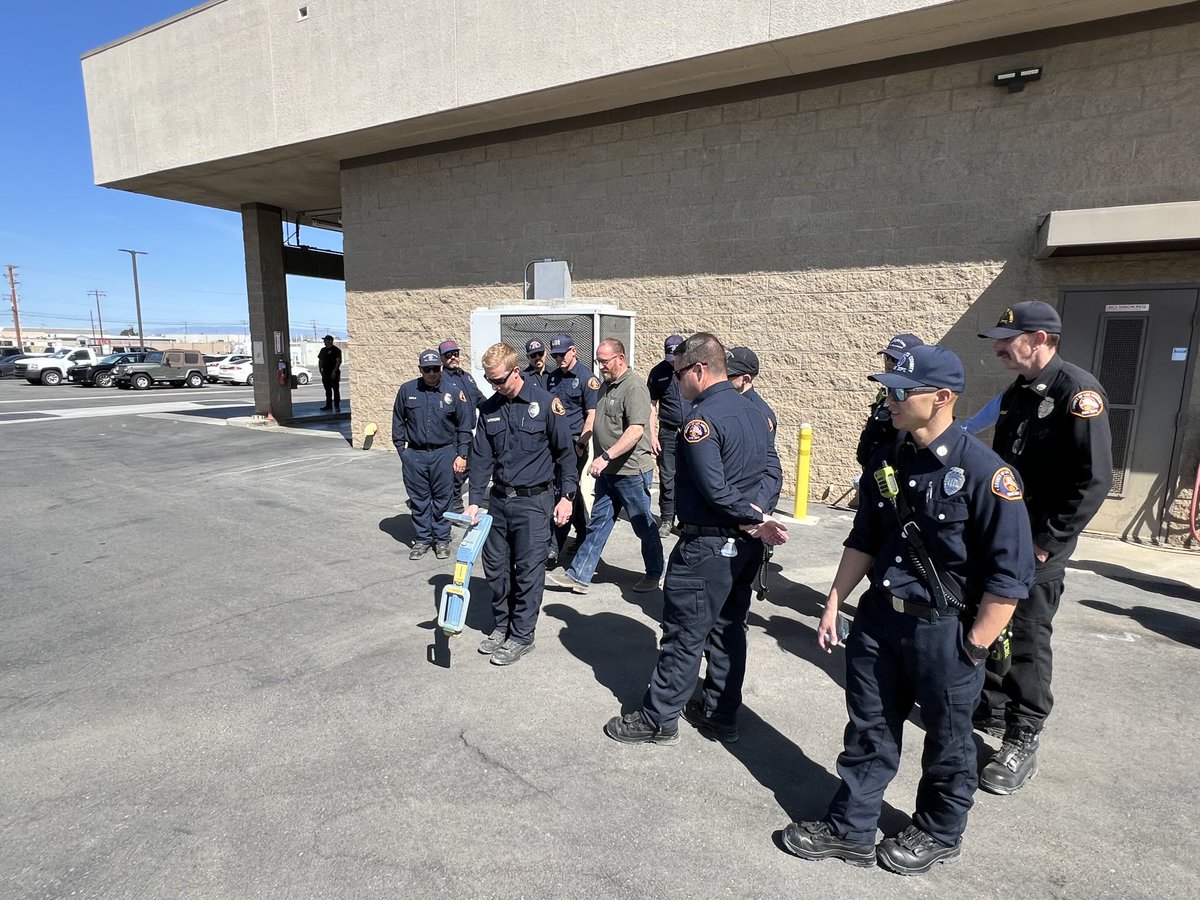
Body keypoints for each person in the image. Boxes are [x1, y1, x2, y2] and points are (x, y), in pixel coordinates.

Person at [781, 344, 1034, 875]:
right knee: (868, 728)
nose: (889, 399)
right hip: (879, 620)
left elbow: (1009, 579)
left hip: (945, 631)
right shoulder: (888, 458)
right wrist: (834, 601)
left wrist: (975, 647)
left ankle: (939, 831)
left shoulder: (986, 473)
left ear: (941, 397)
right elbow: (865, 537)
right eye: (888, 389)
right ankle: (851, 828)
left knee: (948, 741)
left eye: (900, 390)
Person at [604, 333, 788, 746]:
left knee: (685, 634)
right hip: (744, 546)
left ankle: (658, 719)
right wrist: (757, 515)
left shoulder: (699, 420)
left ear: (700, 370)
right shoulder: (757, 412)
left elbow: (712, 487)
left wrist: (752, 518)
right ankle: (720, 714)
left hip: (708, 547)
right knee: (728, 631)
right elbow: (773, 473)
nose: (676, 381)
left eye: (679, 372)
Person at [974, 300, 1113, 795]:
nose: (997, 349)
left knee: (1028, 636)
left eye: (1006, 340)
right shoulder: (1018, 392)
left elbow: (1093, 480)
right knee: (990, 621)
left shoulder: (1078, 393)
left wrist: (1046, 543)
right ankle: (990, 710)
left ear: (1038, 340)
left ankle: (1023, 734)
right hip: (1003, 535)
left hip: (1038, 545)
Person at [464, 343, 576, 666]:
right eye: (489, 380)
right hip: (499, 501)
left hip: (534, 501)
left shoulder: (546, 404)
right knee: (496, 568)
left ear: (516, 371)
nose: (494, 386)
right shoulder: (489, 409)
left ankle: (522, 635)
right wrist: (474, 501)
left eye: (499, 380)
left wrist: (567, 497)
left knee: (528, 571)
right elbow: (481, 459)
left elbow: (565, 454)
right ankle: (502, 626)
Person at [545, 338, 663, 594]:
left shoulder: (634, 387)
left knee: (643, 525)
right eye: (598, 361)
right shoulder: (606, 386)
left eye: (605, 361)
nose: (601, 367)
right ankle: (579, 576)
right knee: (598, 523)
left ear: (620, 358)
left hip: (630, 471)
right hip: (608, 472)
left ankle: (655, 573)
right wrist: (586, 444)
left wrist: (606, 456)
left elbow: (635, 430)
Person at [391, 350, 473, 560]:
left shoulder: (453, 391)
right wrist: (402, 451)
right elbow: (398, 421)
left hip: (444, 453)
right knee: (419, 500)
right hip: (415, 454)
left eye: (435, 368)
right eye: (427, 369)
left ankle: (442, 539)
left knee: (443, 499)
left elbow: (464, 426)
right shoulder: (407, 390)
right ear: (420, 369)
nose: (431, 373)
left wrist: (462, 455)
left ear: (441, 368)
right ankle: (423, 539)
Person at [545, 333, 598, 563]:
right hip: (554, 443)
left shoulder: (587, 378)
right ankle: (584, 531)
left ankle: (554, 545)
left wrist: (581, 444)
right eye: (555, 356)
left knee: (563, 491)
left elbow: (592, 415)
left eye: (562, 354)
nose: (559, 359)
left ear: (573, 351)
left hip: (576, 443)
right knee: (568, 489)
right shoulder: (552, 378)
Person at [725, 346, 783, 512]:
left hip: (750, 500)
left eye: (729, 376)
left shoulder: (758, 412)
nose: (723, 379)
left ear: (745, 379)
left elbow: (767, 464)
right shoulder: (729, 403)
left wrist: (758, 507)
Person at [855, 333, 923, 468]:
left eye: (896, 360)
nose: (890, 363)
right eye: (887, 358)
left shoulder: (914, 400)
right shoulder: (884, 395)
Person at [647, 334, 687, 537]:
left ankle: (686, 519)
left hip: (691, 431)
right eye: (669, 357)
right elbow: (651, 406)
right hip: (668, 432)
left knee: (690, 476)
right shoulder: (658, 373)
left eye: (675, 357)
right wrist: (652, 435)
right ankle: (667, 518)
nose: (672, 362)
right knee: (667, 476)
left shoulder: (693, 370)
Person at [438, 339, 484, 513]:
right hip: (452, 434)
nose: (453, 357)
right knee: (457, 470)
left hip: (467, 433)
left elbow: (479, 398)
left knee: (468, 467)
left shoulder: (466, 377)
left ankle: (451, 499)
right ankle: (453, 504)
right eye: (448, 355)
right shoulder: (441, 380)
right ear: (442, 358)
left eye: (455, 354)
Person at [317, 334, 342, 412]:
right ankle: (328, 405)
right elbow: (320, 360)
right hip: (325, 373)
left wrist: (334, 372)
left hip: (334, 373)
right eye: (324, 340)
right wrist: (320, 370)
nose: (324, 342)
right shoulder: (323, 350)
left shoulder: (336, 350)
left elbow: (338, 361)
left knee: (335, 390)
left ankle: (337, 406)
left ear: (330, 341)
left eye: (326, 340)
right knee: (327, 390)